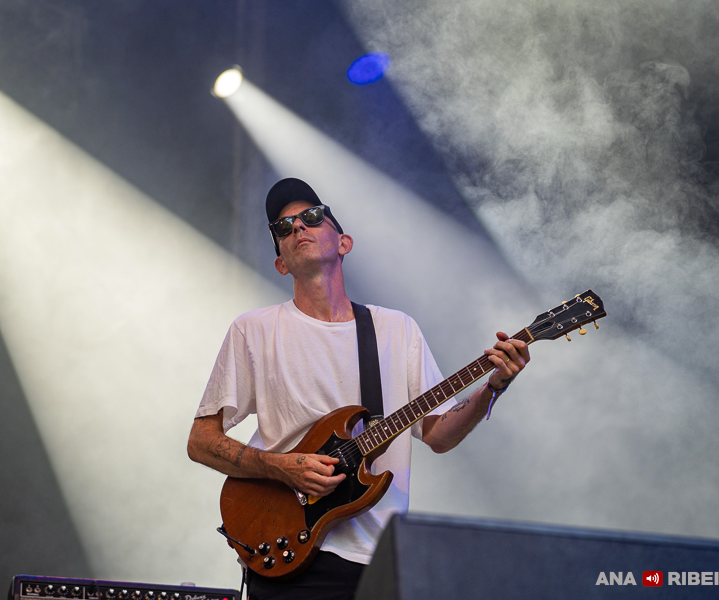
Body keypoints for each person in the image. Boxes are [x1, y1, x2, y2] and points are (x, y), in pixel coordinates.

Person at [187, 178, 530, 600]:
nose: (298, 227)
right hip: (287, 551)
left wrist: (492, 388)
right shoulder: (253, 330)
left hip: (377, 560)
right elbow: (201, 441)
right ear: (280, 263)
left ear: (344, 242)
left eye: (312, 216)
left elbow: (439, 435)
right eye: (283, 227)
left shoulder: (396, 329)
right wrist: (282, 467)